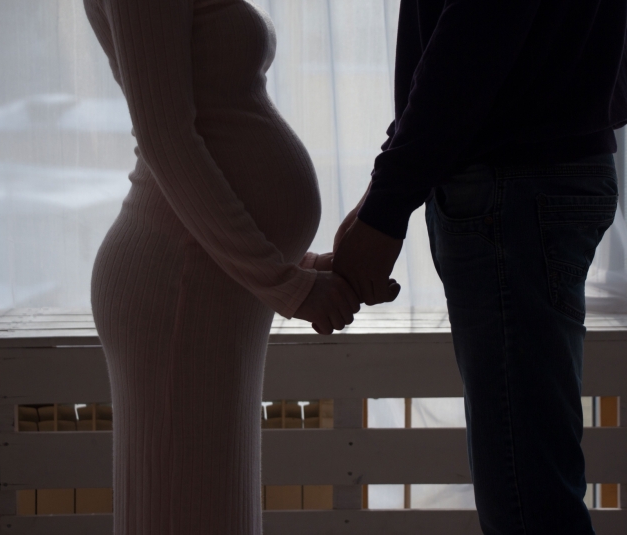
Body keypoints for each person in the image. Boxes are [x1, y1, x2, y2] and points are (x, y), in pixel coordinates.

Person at [83, 0, 394, 532]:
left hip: (209, 280)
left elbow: (218, 127)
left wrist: (298, 265)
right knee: (188, 512)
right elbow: (165, 138)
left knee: (212, 509)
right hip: (180, 285)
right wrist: (286, 284)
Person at [333, 1, 627, 533]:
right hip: (529, 170)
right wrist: (379, 198)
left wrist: (384, 208)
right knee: (530, 487)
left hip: (513, 177)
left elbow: (476, 29)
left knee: (527, 504)